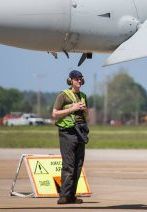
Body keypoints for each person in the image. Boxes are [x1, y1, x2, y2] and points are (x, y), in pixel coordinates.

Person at [52, 70, 90, 205]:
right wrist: (72, 108)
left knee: (78, 165)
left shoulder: (84, 96)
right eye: (76, 78)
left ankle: (72, 196)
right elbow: (55, 114)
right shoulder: (63, 95)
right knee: (69, 165)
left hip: (80, 132)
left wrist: (84, 110)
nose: (79, 80)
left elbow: (87, 117)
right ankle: (64, 196)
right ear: (71, 80)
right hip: (67, 132)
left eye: (81, 78)